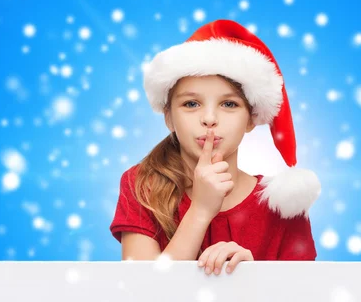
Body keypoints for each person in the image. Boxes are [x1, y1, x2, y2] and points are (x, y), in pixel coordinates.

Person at [110, 19, 322, 275]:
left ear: (251, 119)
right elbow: (140, 293)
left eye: (229, 104)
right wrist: (200, 210)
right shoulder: (142, 186)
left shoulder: (283, 207)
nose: (209, 118)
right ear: (169, 117)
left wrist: (252, 278)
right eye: (191, 104)